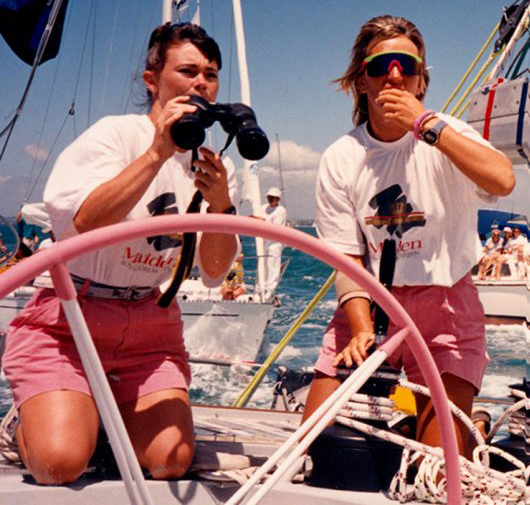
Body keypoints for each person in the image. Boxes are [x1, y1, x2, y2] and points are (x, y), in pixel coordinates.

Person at [2, 22, 239, 484]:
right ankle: (24, 424)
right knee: (59, 464)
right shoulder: (113, 135)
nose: (201, 83)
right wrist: (156, 154)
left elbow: (213, 272)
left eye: (210, 74)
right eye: (188, 71)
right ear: (152, 80)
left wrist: (221, 204)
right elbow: (85, 221)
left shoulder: (214, 164)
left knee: (170, 461)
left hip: (150, 326)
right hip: (70, 321)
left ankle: (101, 418)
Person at [302, 15, 514, 460]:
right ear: (362, 81)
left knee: (435, 467)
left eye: (407, 66)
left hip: (446, 310)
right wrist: (362, 330)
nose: (394, 76)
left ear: (420, 81)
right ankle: (409, 415)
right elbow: (348, 259)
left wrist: (428, 127)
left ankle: (467, 422)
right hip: (372, 304)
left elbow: (501, 179)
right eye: (381, 66)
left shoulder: (447, 135)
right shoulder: (342, 157)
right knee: (315, 447)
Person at [260, 187, 287, 294]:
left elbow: (275, 227)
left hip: (275, 243)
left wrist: (261, 221)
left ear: (278, 199)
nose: (270, 199)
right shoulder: (263, 208)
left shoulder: (281, 210)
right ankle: (260, 288)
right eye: (269, 197)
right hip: (263, 242)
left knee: (273, 267)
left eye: (273, 197)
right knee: (262, 266)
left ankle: (270, 290)